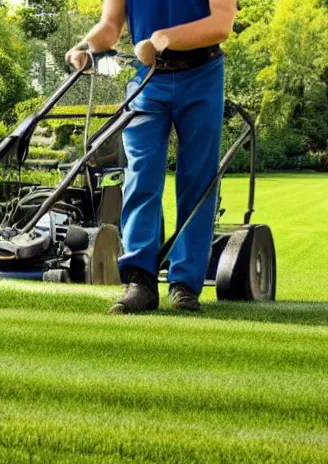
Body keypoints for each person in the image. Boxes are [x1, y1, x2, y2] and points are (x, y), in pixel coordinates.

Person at [66, 0, 237, 314]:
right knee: (141, 175)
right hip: (148, 78)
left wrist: (162, 38)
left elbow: (221, 24)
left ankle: (185, 285)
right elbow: (110, 27)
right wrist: (86, 47)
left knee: (197, 180)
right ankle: (140, 281)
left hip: (202, 75)